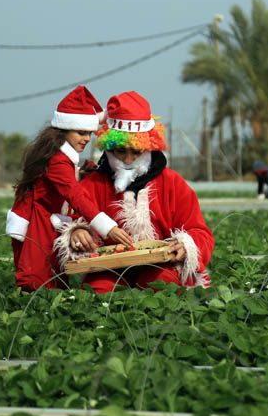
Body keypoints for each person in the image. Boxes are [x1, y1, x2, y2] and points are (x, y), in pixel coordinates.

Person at [58, 90, 214, 293]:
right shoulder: (93, 184)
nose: (128, 160)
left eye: (136, 151)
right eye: (120, 151)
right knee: (98, 289)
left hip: (163, 265)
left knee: (162, 285)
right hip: (108, 268)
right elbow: (73, 220)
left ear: (150, 147)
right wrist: (77, 233)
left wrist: (186, 246)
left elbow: (199, 231)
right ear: (108, 147)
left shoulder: (172, 183)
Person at [6, 86, 134, 291]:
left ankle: (48, 308)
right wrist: (108, 228)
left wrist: (83, 174)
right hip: (38, 220)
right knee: (36, 278)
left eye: (90, 134)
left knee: (52, 274)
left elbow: (64, 184)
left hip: (48, 218)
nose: (86, 139)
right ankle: (33, 311)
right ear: (63, 130)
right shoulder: (58, 160)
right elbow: (73, 194)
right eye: (81, 133)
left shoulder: (63, 156)